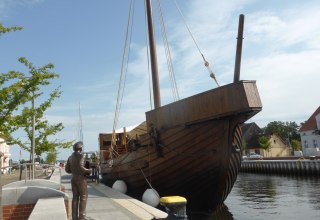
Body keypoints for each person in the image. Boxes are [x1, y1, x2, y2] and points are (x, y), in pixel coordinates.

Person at [65, 141, 91, 220]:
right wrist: (88, 170)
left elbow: (67, 169)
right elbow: (81, 167)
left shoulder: (70, 157)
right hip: (81, 179)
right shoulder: (81, 155)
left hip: (73, 179)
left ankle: (74, 217)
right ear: (80, 148)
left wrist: (74, 172)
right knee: (83, 197)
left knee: (75, 197)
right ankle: (82, 217)